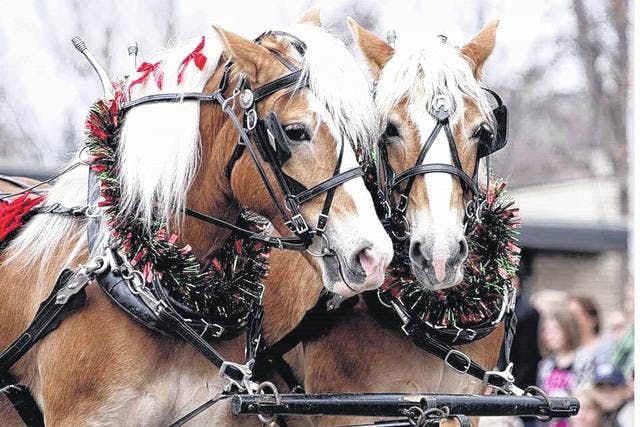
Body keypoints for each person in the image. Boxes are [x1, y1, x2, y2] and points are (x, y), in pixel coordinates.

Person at [536, 309, 581, 427]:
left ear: (567, 329)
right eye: (546, 330)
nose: (549, 335)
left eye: (555, 330)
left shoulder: (584, 360)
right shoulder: (545, 365)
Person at [568, 294, 612, 389]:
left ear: (592, 319)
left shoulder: (606, 345)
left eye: (575, 315)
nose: (572, 320)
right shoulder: (568, 351)